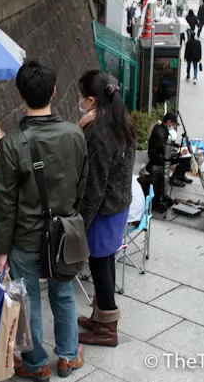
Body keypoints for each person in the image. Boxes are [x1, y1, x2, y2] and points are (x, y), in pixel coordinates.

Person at [0, 58, 87, 379]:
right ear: (54, 91)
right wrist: (69, 217)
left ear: (21, 94)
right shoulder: (75, 134)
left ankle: (36, 364)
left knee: (27, 299)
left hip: (26, 237)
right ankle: (68, 356)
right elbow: (81, 186)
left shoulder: (10, 145)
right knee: (63, 292)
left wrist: (1, 250)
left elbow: (3, 204)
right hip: (63, 234)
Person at [76, 71, 136, 348]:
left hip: (103, 209)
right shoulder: (121, 121)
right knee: (106, 261)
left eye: (81, 97)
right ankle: (100, 317)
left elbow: (95, 186)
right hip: (118, 205)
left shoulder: (99, 134)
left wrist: (82, 222)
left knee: (100, 265)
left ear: (91, 100)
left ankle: (107, 329)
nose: (79, 101)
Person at [147, 111, 192, 210]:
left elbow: (167, 142)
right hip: (157, 157)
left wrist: (176, 145)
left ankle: (179, 175)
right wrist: (176, 154)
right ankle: (174, 178)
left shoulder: (162, 129)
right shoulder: (159, 131)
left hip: (161, 154)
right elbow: (163, 148)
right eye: (173, 123)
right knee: (181, 157)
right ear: (168, 121)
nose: (173, 125)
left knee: (186, 157)